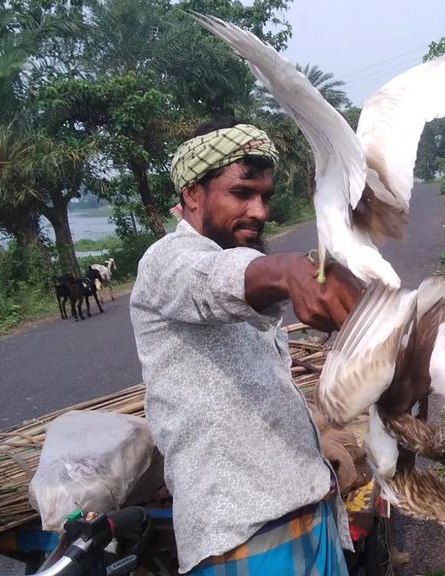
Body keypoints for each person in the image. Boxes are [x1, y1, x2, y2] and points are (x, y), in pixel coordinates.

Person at [129, 118, 363, 576]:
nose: (259, 210)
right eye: (242, 193)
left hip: (310, 514)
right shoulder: (165, 262)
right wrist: (289, 271)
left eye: (266, 196)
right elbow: (216, 281)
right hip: (242, 539)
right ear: (193, 194)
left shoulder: (242, 264)